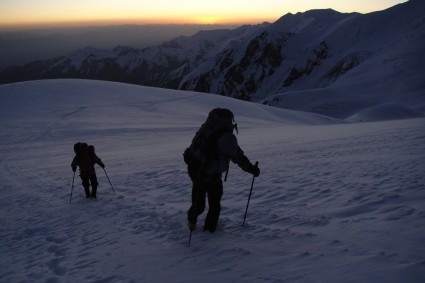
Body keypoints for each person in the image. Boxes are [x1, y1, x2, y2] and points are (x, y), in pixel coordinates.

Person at [183, 108, 260, 233]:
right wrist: (196, 179)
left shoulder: (230, 145)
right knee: (199, 206)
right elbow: (192, 166)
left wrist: (251, 169)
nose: (228, 158)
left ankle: (209, 232)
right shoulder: (206, 150)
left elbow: (239, 157)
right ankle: (192, 221)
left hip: (215, 177)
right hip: (201, 177)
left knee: (215, 207)